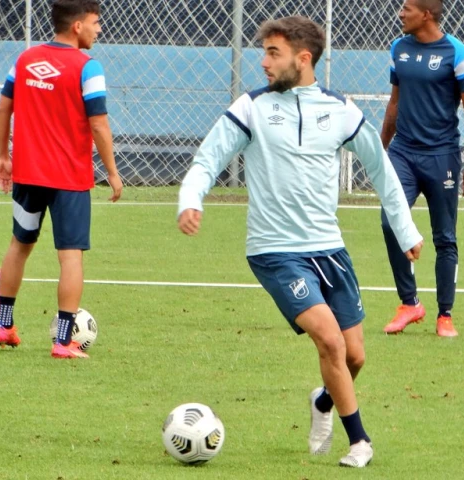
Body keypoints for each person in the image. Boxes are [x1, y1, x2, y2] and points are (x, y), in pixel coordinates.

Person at [177, 16, 423, 468]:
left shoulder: (340, 109)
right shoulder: (250, 108)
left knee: (354, 357)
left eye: (273, 53)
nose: (264, 63)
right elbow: (208, 158)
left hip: (330, 249)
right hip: (274, 251)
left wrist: (405, 229)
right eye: (264, 52)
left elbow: (381, 168)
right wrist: (190, 199)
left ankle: (324, 402)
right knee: (330, 342)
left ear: (302, 58)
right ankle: (360, 442)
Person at [0, 0, 122, 358]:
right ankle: (63, 340)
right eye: (96, 23)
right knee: (70, 257)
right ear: (78, 25)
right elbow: (98, 122)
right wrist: (112, 172)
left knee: (19, 245)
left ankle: (4, 326)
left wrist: (3, 156)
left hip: (28, 175)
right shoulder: (88, 66)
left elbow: (4, 107)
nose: (99, 30)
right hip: (69, 179)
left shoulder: (25, 59)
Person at [379, 0, 464, 337]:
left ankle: (445, 315)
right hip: (403, 152)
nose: (399, 13)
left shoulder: (458, 54)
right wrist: (380, 149)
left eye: (406, 8)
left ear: (425, 14)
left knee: (444, 238)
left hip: (442, 157)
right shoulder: (399, 48)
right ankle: (409, 303)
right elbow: (395, 101)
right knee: (390, 220)